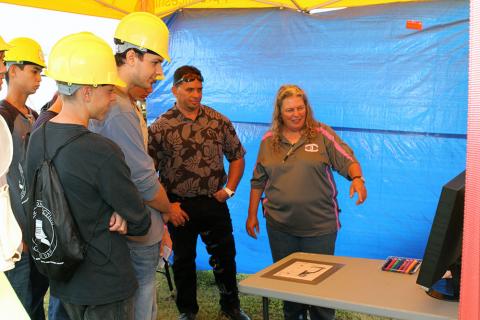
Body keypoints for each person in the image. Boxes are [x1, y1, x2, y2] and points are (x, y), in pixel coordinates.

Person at [24, 31, 152, 320]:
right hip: (104, 285)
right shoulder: (101, 150)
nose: (112, 98)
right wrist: (121, 215)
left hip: (62, 279)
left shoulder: (37, 136)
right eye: (109, 90)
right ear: (87, 92)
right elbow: (140, 220)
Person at [89, 12, 187, 320]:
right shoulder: (117, 108)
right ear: (131, 56)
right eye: (155, 62)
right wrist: (167, 209)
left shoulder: (119, 102)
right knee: (140, 303)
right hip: (134, 228)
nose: (159, 73)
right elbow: (143, 180)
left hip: (133, 223)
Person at [246, 84, 367, 320]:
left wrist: (358, 179)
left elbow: (348, 160)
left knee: (320, 290)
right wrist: (251, 216)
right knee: (288, 289)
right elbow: (258, 181)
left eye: (300, 108)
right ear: (279, 112)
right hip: (280, 227)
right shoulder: (268, 141)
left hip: (319, 228)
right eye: (290, 109)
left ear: (306, 108)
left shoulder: (322, 135)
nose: (296, 114)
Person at [148, 65, 250, 320]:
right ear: (175, 90)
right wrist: (167, 208)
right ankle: (187, 311)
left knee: (225, 256)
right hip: (179, 207)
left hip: (214, 202)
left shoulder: (218, 121)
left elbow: (237, 157)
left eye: (200, 89)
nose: (196, 94)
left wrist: (229, 190)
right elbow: (149, 171)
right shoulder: (161, 127)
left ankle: (231, 306)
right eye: (190, 89)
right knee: (183, 261)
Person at [0, 36, 49, 319]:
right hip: (17, 236)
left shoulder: (33, 116)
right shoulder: (3, 117)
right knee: (21, 303)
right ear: (13, 70)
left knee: (36, 299)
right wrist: (19, 232)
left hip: (38, 227)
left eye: (41, 71)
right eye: (33, 70)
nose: (39, 77)